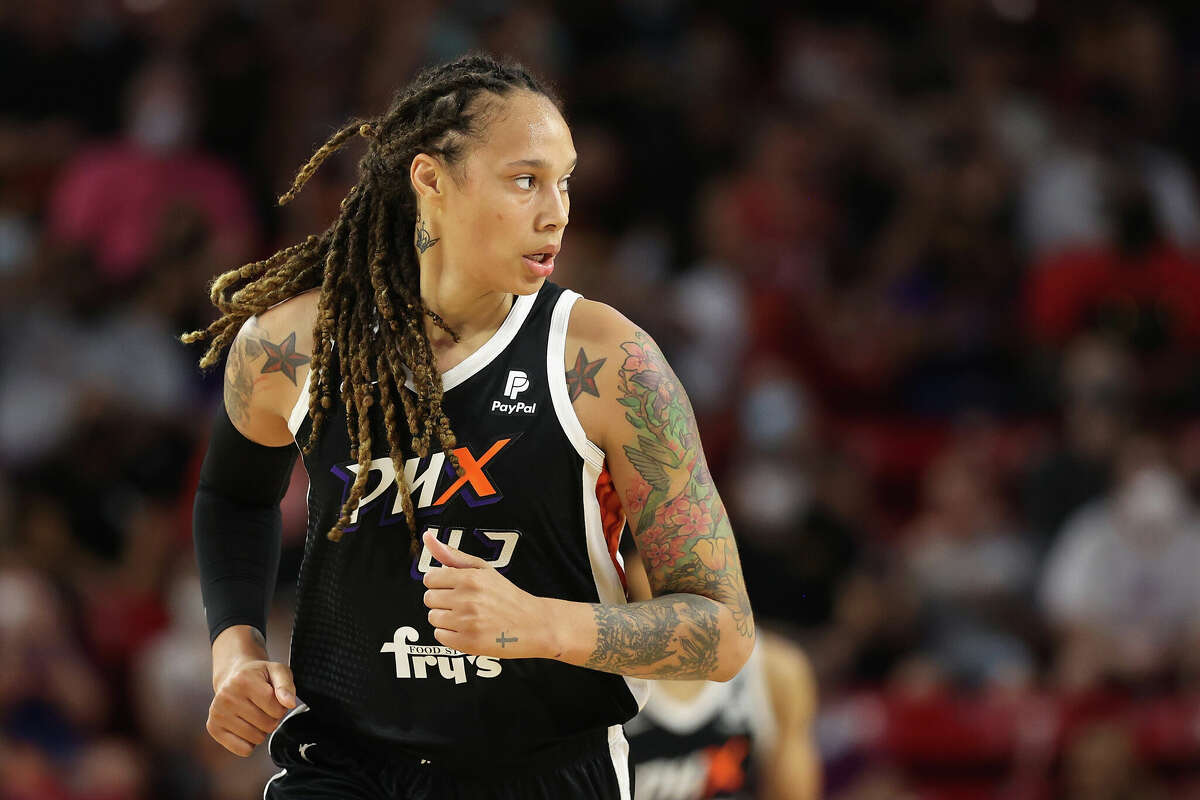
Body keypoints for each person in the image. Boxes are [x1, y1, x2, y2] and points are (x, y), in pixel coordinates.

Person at [181, 54, 754, 800]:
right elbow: (233, 496)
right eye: (526, 180)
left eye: (565, 181)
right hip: (342, 766)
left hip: (541, 769)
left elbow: (724, 629)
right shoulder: (290, 345)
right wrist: (235, 647)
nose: (556, 212)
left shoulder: (609, 361)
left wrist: (541, 625)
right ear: (431, 182)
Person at [621, 547, 820, 800]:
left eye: (694, 545)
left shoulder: (775, 671)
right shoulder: (597, 678)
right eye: (659, 550)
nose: (680, 567)